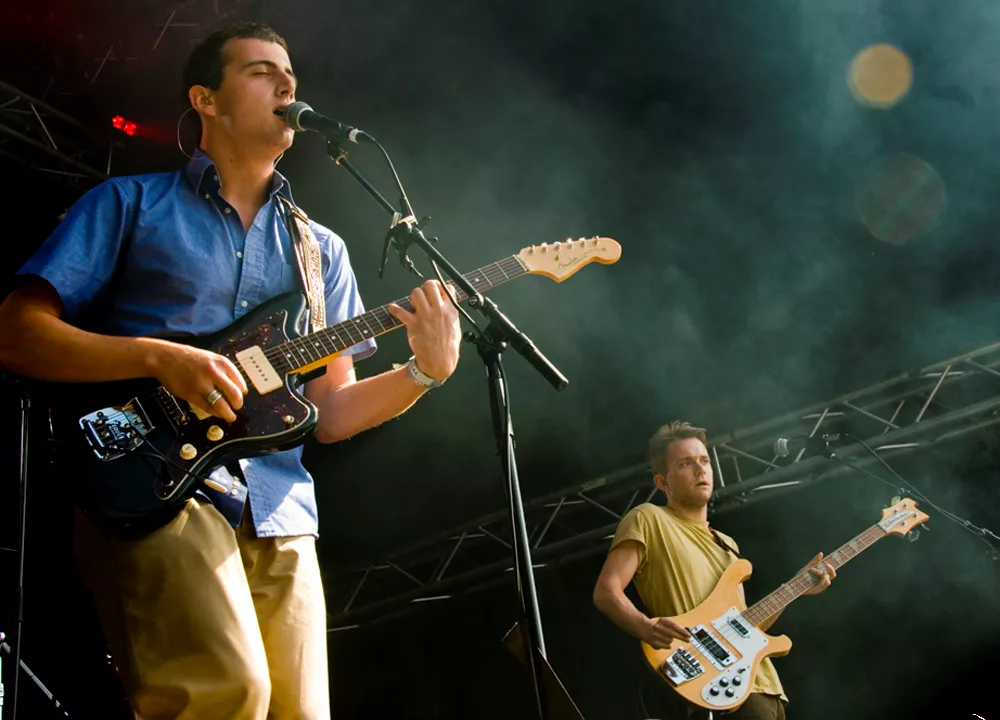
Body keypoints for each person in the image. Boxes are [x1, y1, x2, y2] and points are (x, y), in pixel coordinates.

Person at [0, 21, 462, 720]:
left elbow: (331, 412)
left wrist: (422, 374)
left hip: (281, 508)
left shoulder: (321, 252)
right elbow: (17, 332)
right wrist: (158, 356)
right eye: (260, 71)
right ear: (205, 100)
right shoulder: (130, 205)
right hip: (154, 481)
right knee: (223, 695)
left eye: (291, 77)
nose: (286, 85)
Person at [592, 421, 836, 720]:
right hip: (714, 689)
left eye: (704, 460)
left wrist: (797, 586)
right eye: (685, 463)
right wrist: (645, 627)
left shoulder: (728, 545)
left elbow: (747, 627)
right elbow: (606, 591)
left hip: (764, 688)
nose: (700, 469)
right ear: (662, 482)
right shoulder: (648, 518)